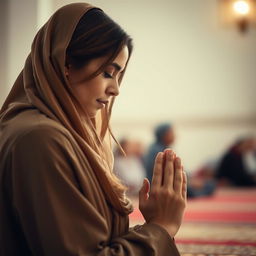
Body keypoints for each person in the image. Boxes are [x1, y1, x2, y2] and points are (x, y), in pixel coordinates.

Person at [0, 3, 187, 255]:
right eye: (108, 73)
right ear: (65, 64)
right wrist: (161, 228)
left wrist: (153, 226)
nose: (115, 89)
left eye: (118, 77)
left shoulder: (55, 133)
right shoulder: (40, 138)